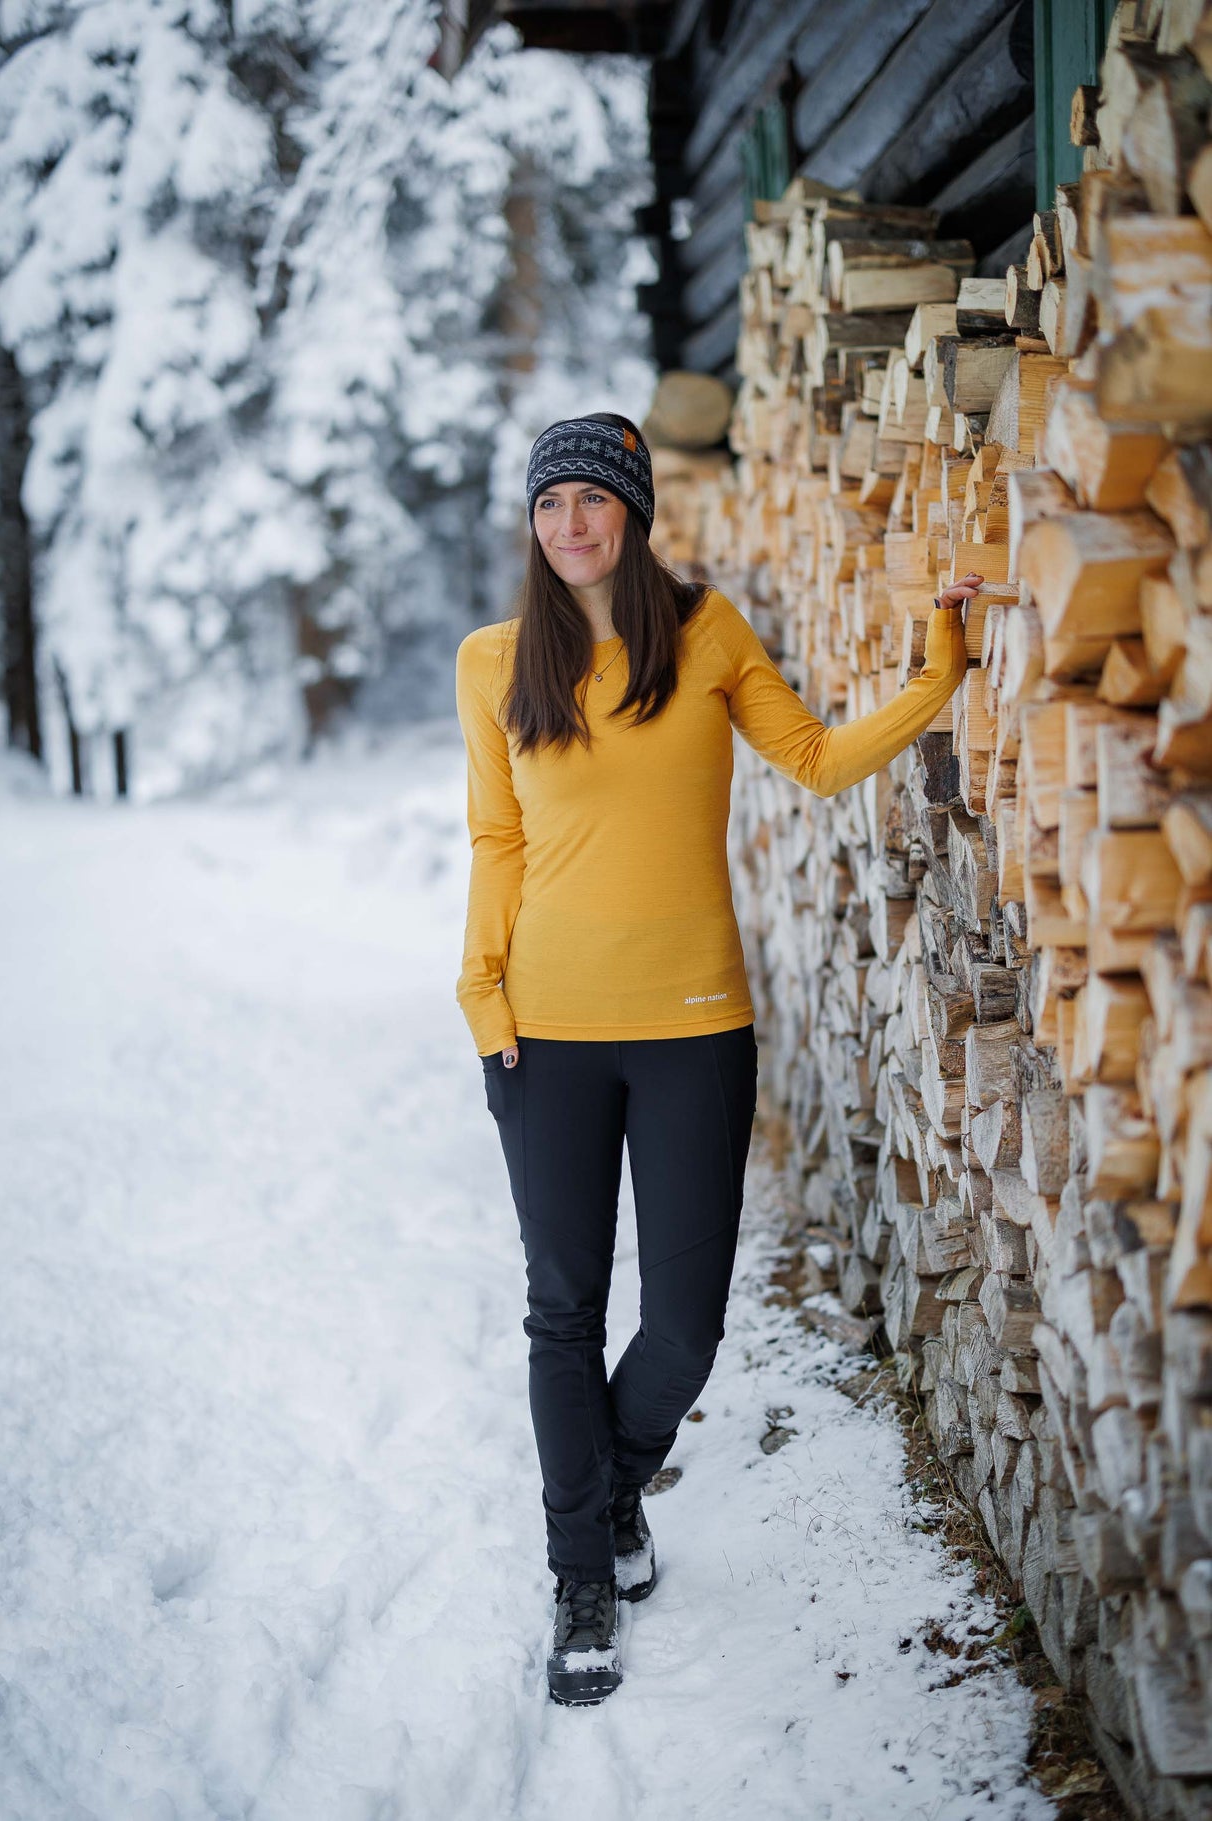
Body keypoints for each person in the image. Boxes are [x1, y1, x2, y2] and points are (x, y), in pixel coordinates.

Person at [454, 410, 979, 1707]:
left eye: (591, 500)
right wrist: (480, 996)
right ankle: (582, 1568)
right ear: (532, 525)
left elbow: (809, 759)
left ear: (631, 511)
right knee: (561, 1310)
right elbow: (495, 843)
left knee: (682, 1326)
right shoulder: (494, 661)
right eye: (548, 504)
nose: (568, 524)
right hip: (546, 1034)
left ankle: (602, 1496)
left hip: (695, 1026)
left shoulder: (705, 632)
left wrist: (935, 672)